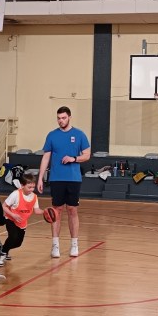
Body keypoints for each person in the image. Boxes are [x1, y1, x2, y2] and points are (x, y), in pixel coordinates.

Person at [38, 106, 90, 258]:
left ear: (69, 117)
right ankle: (55, 246)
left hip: (73, 179)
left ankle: (74, 244)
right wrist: (40, 177)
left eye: (63, 118)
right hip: (56, 178)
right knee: (56, 211)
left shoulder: (79, 134)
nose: (61, 121)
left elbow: (87, 155)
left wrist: (74, 159)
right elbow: (46, 157)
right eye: (59, 118)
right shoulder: (52, 135)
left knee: (72, 210)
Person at [0, 172, 44, 267]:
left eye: (33, 187)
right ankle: (2, 253)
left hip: (22, 222)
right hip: (11, 219)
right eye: (29, 187)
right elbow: (4, 206)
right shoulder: (16, 194)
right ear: (22, 185)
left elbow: (36, 210)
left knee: (18, 243)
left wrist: (46, 212)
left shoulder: (34, 197)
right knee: (13, 237)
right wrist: (13, 215)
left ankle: (4, 249)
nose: (31, 189)